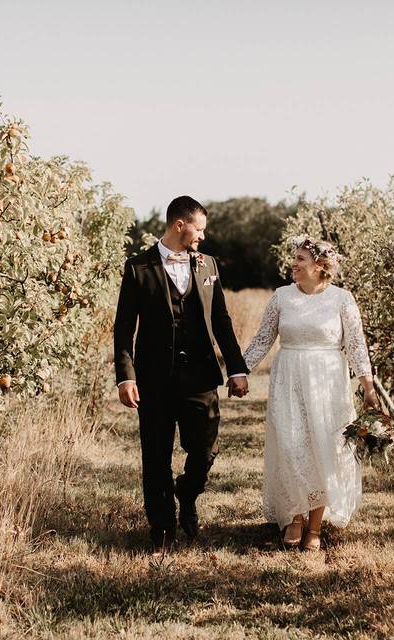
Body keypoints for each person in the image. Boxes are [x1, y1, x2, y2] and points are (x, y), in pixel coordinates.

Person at [113, 195, 249, 556]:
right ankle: (162, 531)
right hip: (154, 380)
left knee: (205, 448)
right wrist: (126, 377)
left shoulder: (208, 266)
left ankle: (187, 493)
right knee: (155, 456)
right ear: (180, 225)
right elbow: (124, 327)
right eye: (199, 229)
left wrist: (236, 368)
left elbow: (221, 319)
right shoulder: (137, 267)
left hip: (201, 377)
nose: (202, 237)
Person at [242, 235, 377, 551]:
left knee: (323, 447)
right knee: (291, 444)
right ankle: (295, 517)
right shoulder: (281, 297)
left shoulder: (342, 299)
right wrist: (239, 371)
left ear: (320, 265)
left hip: (328, 382)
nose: (294, 263)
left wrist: (367, 385)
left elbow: (356, 345)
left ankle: (314, 526)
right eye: (294, 258)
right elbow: (263, 339)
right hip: (288, 377)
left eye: (300, 258)